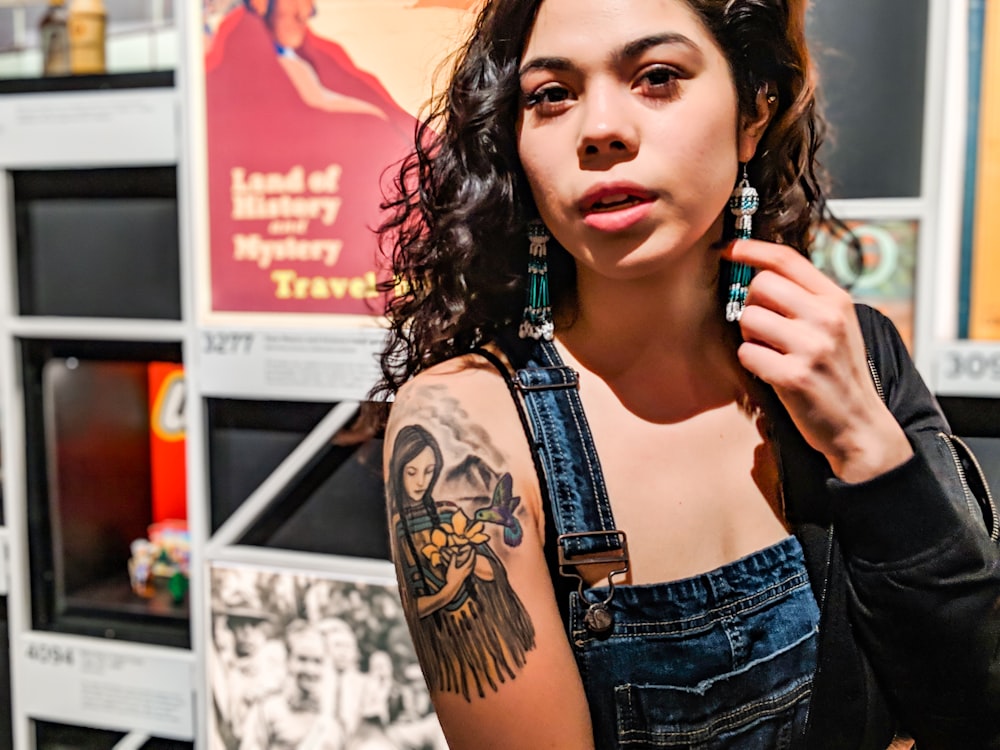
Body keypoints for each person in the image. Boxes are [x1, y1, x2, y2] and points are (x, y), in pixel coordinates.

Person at [372, 0, 1000, 749]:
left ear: (752, 116)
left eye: (657, 76)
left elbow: (974, 706)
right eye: (551, 95)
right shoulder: (467, 431)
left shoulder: (854, 357)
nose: (600, 129)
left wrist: (870, 449)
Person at [239, 619, 345, 750]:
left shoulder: (331, 722)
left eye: (317, 661)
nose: (310, 669)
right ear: (288, 661)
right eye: (302, 659)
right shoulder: (267, 710)